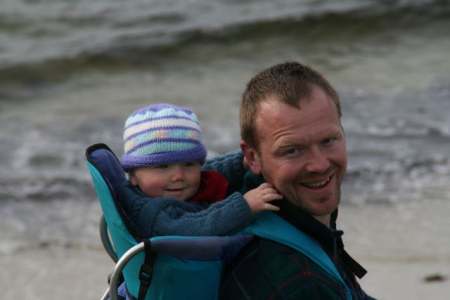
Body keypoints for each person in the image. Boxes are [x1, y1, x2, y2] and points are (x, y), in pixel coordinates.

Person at [202, 62, 375, 299]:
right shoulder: (298, 282)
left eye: (328, 140)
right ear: (252, 157)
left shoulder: (285, 211)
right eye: (292, 150)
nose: (320, 165)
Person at [118, 103, 282, 239]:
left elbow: (209, 172)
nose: (178, 176)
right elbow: (195, 227)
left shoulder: (159, 190)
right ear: (133, 175)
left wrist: (242, 162)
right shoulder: (151, 213)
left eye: (189, 164)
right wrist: (244, 206)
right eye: (162, 167)